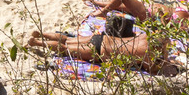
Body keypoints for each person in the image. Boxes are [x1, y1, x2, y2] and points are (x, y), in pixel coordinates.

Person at [26, 28, 169, 71]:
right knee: (65, 48)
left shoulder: (145, 36)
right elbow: (152, 70)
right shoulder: (148, 53)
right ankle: (37, 43)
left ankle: (40, 34)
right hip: (100, 51)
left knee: (68, 39)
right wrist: (165, 58)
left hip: (102, 38)